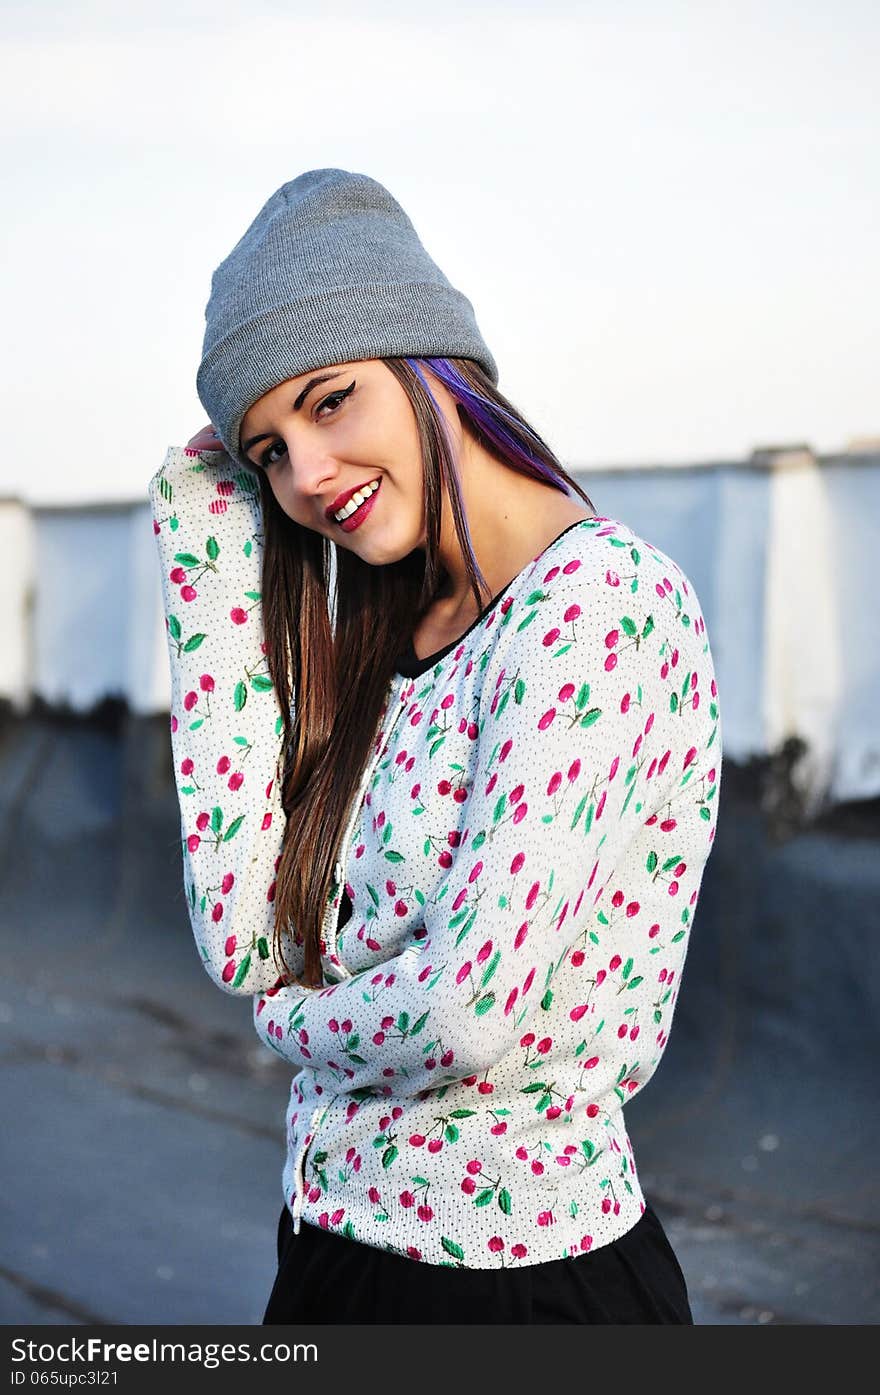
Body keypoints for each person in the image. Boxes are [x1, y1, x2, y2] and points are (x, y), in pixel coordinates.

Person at [149, 168, 722, 1324]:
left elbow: (465, 1009)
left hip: (520, 1286)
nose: (304, 477)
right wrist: (193, 506)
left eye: (327, 401)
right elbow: (243, 935)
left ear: (430, 366)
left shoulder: (599, 609)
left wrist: (293, 1024)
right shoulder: (382, 638)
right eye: (263, 451)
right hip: (327, 1249)